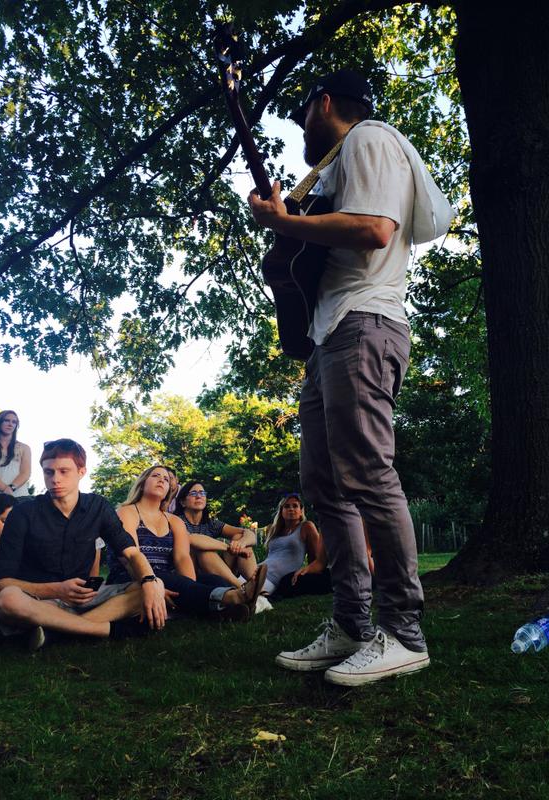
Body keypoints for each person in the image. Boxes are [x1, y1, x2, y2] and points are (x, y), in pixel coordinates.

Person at [249, 69, 453, 685]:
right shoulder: (333, 171)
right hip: (328, 336)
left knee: (366, 474)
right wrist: (289, 224)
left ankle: (404, 631)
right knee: (323, 484)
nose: (300, 125)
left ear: (326, 103)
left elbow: (374, 231)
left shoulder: (370, 138)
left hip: (366, 323)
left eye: (303, 112)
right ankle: (352, 624)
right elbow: (306, 259)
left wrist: (285, 224)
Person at [0, 438, 169, 651]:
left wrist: (150, 581)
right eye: (49, 472)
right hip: (37, 600)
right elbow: (0, 583)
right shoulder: (22, 512)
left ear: (81, 472)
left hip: (84, 598)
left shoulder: (98, 506)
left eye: (64, 471)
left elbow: (131, 553)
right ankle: (106, 630)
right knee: (7, 599)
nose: (55, 479)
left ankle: (56, 632)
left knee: (150, 587)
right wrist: (57, 590)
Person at [107, 465, 267, 620]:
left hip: (169, 576)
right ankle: (237, 596)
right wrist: (153, 584)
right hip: (132, 576)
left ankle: (227, 611)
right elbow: (130, 558)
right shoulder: (126, 512)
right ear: (142, 484)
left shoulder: (174, 521)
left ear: (169, 491)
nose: (162, 480)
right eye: (155, 476)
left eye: (166, 479)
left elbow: (182, 558)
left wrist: (189, 585)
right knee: (174, 582)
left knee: (213, 581)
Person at [175, 480, 258, 588]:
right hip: (192, 573)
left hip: (218, 572)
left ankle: (255, 585)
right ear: (182, 502)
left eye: (202, 493)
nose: (199, 496)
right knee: (204, 552)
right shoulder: (177, 521)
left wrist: (241, 544)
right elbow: (192, 539)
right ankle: (243, 589)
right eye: (193, 493)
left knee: (239, 537)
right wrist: (229, 547)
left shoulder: (211, 523)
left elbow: (249, 534)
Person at [259, 493, 327, 597]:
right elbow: (271, 557)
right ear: (281, 511)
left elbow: (316, 560)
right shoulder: (272, 530)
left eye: (295, 506)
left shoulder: (306, 527)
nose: (291, 509)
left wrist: (306, 572)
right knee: (232, 590)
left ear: (301, 511)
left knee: (244, 595)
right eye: (286, 506)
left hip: (275, 580)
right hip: (258, 570)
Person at [0, 410, 31, 502]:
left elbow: (25, 473)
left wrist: (11, 488)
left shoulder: (24, 448)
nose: (10, 424)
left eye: (14, 422)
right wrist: (5, 489)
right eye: (6, 420)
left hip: (19, 497)